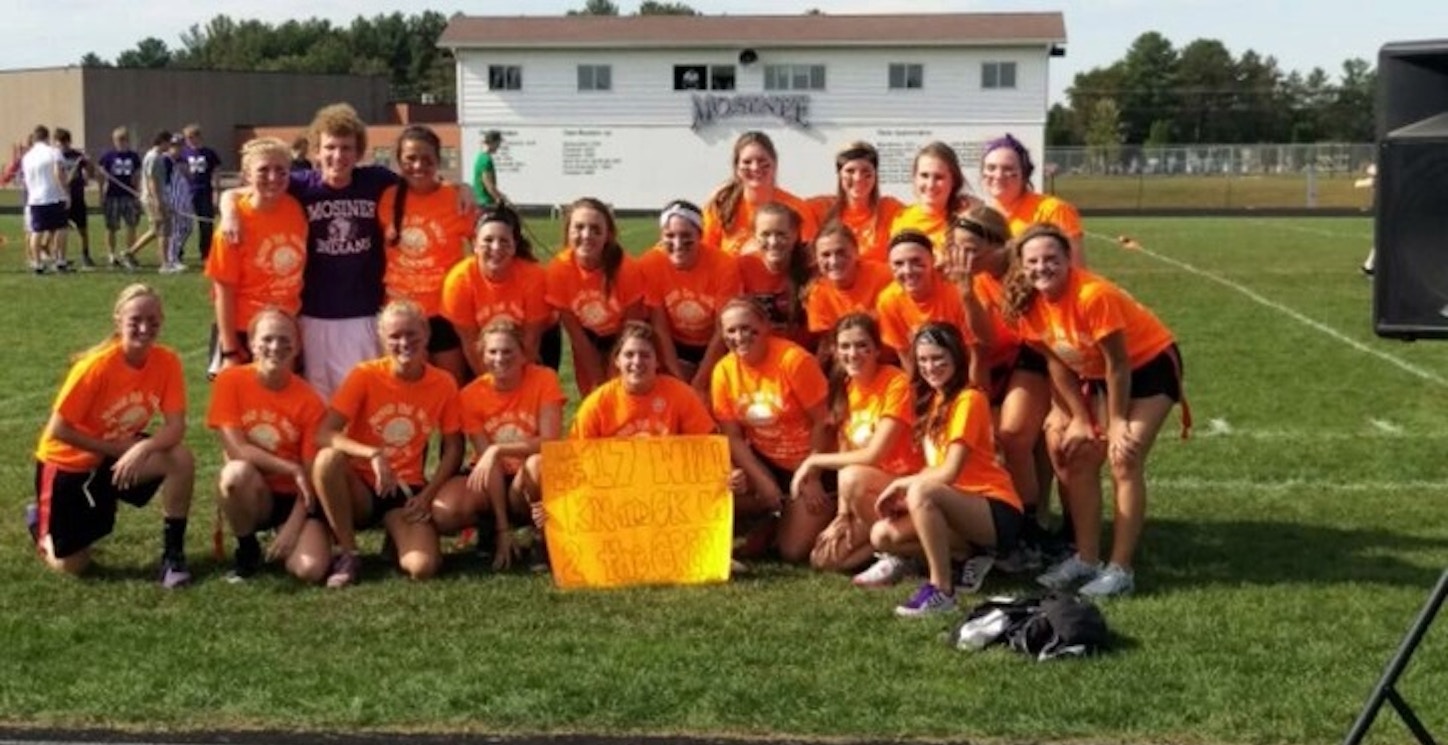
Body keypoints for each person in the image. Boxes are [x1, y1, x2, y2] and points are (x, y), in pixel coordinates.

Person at [221, 103, 466, 401]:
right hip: (313, 313)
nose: (338, 156)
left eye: (347, 148)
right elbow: (254, 188)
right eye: (330, 147)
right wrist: (227, 204)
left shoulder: (375, 182)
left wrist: (463, 187)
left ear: (359, 152)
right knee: (319, 401)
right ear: (316, 150)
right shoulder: (299, 186)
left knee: (367, 397)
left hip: (364, 311)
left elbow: (423, 181)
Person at [1007, 224, 1186, 598]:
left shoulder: (1092, 294)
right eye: (1033, 261)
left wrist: (1117, 422)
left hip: (1149, 367)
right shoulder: (1027, 303)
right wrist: (1081, 419)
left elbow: (1118, 363)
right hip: (1099, 374)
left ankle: (1121, 570)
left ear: (1068, 260)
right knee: (1079, 456)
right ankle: (1086, 558)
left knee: (1124, 457)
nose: (1043, 267)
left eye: (1052, 259)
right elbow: (1057, 363)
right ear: (1021, 266)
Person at [27, 284, 195, 587]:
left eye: (153, 321)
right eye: (135, 321)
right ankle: (41, 525)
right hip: (68, 462)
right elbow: (58, 430)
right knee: (72, 565)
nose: (145, 328)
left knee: (179, 458)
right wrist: (116, 449)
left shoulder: (167, 361)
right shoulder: (95, 367)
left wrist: (143, 449)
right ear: (118, 320)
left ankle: (173, 556)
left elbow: (175, 427)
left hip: (113, 454)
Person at [870, 323, 1023, 616]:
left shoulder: (969, 398)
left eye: (939, 358)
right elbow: (936, 467)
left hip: (994, 508)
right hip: (957, 502)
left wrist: (901, 485)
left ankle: (941, 589)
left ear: (957, 358)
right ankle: (970, 554)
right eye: (924, 359)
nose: (931, 366)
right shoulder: (935, 399)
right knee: (881, 535)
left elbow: (949, 471)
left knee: (922, 491)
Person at [311, 300, 464, 587]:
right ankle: (348, 552)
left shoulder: (443, 382)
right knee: (327, 460)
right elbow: (324, 433)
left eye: (412, 335)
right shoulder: (365, 375)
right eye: (395, 336)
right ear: (382, 339)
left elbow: (454, 447)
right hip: (362, 487)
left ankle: (396, 541)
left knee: (422, 567)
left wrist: (428, 495)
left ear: (426, 336)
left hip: (405, 489)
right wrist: (371, 453)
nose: (404, 342)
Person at [948, 205, 1055, 568]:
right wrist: (964, 291)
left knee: (1014, 436)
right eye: (957, 247)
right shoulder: (975, 278)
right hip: (1001, 360)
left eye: (970, 248)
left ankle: (1027, 527)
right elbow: (985, 339)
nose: (962, 257)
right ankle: (1019, 520)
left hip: (1038, 355)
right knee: (996, 440)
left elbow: (1021, 337)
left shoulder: (1021, 270)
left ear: (997, 244)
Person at [207, 309, 332, 583]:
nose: (276, 347)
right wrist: (290, 468)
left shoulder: (310, 401)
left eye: (286, 340)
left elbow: (309, 474)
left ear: (298, 347)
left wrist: (293, 525)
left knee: (309, 570)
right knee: (234, 474)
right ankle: (247, 548)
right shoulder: (230, 381)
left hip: (295, 496)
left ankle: (288, 533)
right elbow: (237, 449)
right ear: (252, 344)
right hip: (254, 489)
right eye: (267, 339)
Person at [431, 320, 565, 569]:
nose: (500, 358)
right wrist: (504, 528)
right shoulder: (470, 395)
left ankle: (541, 537)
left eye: (508, 351)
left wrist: (499, 448)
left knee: (537, 464)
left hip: (528, 476)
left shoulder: (544, 379)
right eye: (492, 352)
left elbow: (550, 442)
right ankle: (494, 527)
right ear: (481, 355)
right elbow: (487, 462)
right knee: (444, 513)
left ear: (523, 354)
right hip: (491, 476)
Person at [796, 313, 923, 574]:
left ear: (877, 349)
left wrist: (814, 460)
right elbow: (847, 451)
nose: (853, 353)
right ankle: (903, 551)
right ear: (835, 350)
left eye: (862, 345)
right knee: (823, 559)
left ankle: (900, 550)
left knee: (853, 477)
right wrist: (843, 514)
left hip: (905, 488)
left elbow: (874, 455)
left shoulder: (896, 382)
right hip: (870, 496)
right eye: (845, 346)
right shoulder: (843, 387)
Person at [711, 298, 833, 564]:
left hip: (809, 460)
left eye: (748, 328)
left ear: (765, 326)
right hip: (767, 459)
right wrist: (761, 480)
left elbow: (823, 422)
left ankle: (800, 515)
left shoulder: (794, 361)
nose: (740, 336)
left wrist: (812, 475)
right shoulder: (723, 371)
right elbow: (731, 435)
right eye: (731, 330)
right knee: (722, 487)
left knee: (792, 552)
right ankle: (771, 513)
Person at [377, 125, 477, 384]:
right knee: (403, 393)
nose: (418, 165)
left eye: (427, 158)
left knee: (451, 391)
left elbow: (484, 248)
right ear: (399, 161)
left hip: (444, 311)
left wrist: (465, 187)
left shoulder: (455, 199)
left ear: (438, 160)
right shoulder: (387, 197)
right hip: (400, 314)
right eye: (410, 158)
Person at [204, 137, 307, 377]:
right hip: (244, 332)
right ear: (247, 175)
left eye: (281, 170)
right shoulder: (234, 225)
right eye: (263, 170)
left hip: (287, 329)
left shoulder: (295, 209)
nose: (273, 177)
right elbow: (223, 292)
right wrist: (230, 351)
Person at [544, 197, 647, 397]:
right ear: (568, 232)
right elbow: (575, 334)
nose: (586, 235)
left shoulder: (626, 269)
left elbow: (631, 327)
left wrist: (613, 370)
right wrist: (599, 378)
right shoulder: (559, 270)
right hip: (588, 338)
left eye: (595, 229)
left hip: (625, 335)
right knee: (594, 396)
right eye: (579, 228)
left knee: (625, 391)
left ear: (608, 235)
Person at [441, 204, 558, 375]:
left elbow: (531, 342)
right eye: (488, 240)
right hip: (482, 341)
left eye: (504, 241)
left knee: (533, 386)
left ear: (514, 246)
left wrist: (516, 386)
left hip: (535, 340)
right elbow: (470, 343)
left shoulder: (534, 277)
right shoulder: (459, 281)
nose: (496, 247)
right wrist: (491, 386)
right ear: (474, 244)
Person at [638, 199, 740, 393]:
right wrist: (679, 380)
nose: (677, 243)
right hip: (677, 345)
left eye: (686, 235)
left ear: (700, 235)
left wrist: (700, 381)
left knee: (712, 396)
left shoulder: (723, 265)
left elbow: (723, 328)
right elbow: (660, 327)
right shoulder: (651, 263)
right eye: (670, 236)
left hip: (715, 342)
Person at [571, 320, 718, 438]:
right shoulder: (597, 404)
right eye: (629, 355)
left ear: (657, 361)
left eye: (645, 355)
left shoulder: (680, 395)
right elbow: (576, 456)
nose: (637, 362)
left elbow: (708, 444)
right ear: (617, 361)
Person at [874, 229, 974, 377]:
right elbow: (905, 356)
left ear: (932, 260)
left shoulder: (955, 291)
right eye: (898, 264)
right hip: (930, 374)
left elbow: (974, 353)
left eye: (916, 261)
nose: (907, 270)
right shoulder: (888, 301)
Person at [702, 131, 818, 255]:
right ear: (736, 168)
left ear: (774, 164)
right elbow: (704, 254)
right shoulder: (719, 207)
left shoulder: (796, 208)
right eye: (747, 162)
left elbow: (809, 258)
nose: (755, 167)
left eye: (762, 161)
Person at [980, 133, 1085, 263]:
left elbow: (1075, 269)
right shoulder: (982, 216)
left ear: (1024, 174)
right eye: (991, 168)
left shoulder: (1053, 210)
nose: (998, 175)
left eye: (1008, 168)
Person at [803, 222, 894, 354]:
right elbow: (828, 346)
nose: (834, 261)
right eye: (826, 255)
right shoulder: (817, 293)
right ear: (816, 259)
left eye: (841, 252)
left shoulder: (884, 276)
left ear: (856, 251)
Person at [808, 141, 903, 263]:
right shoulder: (821, 209)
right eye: (850, 171)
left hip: (879, 280)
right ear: (839, 174)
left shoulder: (890, 209)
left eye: (866, 171)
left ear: (875, 175)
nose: (858, 178)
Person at [738, 202, 814, 348]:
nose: (773, 242)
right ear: (754, 236)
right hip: (760, 353)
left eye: (781, 234)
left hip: (805, 354)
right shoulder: (742, 267)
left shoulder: (811, 266)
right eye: (765, 234)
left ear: (795, 234)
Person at [890, 141, 976, 261]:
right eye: (924, 175)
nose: (930, 184)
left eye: (939, 177)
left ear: (954, 181)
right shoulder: (901, 219)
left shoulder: (969, 217)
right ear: (914, 178)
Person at [122, 130, 174, 271]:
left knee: (156, 230)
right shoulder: (154, 157)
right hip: (153, 199)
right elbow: (152, 181)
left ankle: (129, 253)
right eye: (169, 142)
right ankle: (165, 264)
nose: (171, 145)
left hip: (156, 197)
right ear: (163, 142)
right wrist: (158, 201)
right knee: (164, 230)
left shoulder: (158, 156)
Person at [20, 124, 69, 274]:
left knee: (37, 231)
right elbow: (58, 173)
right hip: (54, 195)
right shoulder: (54, 152)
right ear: (47, 137)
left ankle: (37, 263)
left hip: (35, 197)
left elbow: (26, 179)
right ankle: (60, 260)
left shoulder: (27, 157)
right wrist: (66, 192)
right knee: (61, 228)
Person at [97, 127, 143, 267]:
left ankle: (130, 252)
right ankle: (111, 254)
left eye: (124, 139)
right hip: (112, 195)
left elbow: (136, 176)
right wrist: (101, 193)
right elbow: (100, 176)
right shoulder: (107, 156)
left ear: (128, 140)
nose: (121, 142)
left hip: (129, 195)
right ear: (114, 140)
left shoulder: (134, 157)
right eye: (118, 139)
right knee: (111, 227)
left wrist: (137, 193)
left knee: (131, 225)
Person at [55, 128, 98, 269]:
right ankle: (59, 257)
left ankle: (85, 255)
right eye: (60, 143)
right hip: (62, 198)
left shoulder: (77, 155)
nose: (62, 145)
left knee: (83, 229)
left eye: (65, 142)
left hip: (77, 196)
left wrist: (89, 162)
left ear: (69, 142)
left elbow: (91, 173)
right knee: (59, 230)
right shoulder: (55, 157)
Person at [180, 124, 222, 262]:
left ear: (198, 137)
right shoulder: (183, 153)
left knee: (205, 224)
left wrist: (216, 190)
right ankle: (178, 251)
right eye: (187, 138)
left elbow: (216, 172)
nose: (189, 140)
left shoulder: (209, 153)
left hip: (204, 191)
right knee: (184, 223)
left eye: (192, 137)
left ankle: (206, 252)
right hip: (188, 192)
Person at [162, 134, 193, 273]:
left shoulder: (182, 160)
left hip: (184, 199)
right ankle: (172, 259)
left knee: (187, 228)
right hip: (173, 200)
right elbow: (164, 183)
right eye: (175, 146)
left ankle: (175, 253)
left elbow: (188, 178)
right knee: (175, 230)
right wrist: (167, 202)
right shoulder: (165, 160)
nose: (178, 149)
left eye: (180, 146)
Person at [472, 130, 504, 208]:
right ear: (493, 143)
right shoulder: (486, 160)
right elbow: (488, 184)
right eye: (498, 143)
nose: (499, 146)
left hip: (479, 199)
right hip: (486, 202)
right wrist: (498, 198)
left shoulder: (480, 157)